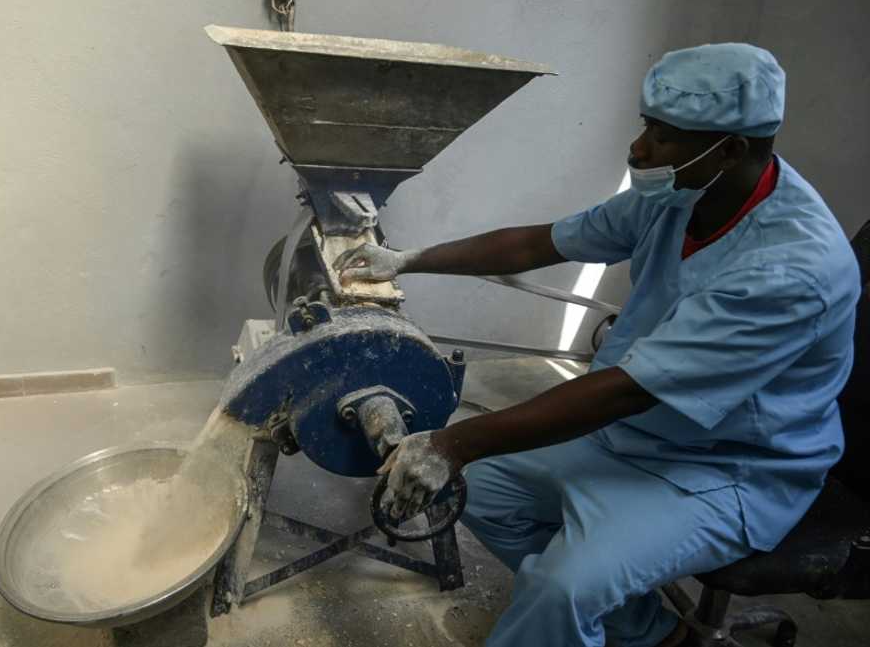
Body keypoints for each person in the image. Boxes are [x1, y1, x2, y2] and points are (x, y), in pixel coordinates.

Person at [333, 43, 860, 647]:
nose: (639, 149)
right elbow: (541, 243)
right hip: (638, 435)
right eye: (646, 127)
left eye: (663, 136)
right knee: (473, 492)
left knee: (562, 589)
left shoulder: (792, 270)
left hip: (728, 468)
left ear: (732, 148)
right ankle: (654, 636)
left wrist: (454, 442)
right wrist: (406, 260)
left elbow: (626, 391)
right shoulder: (683, 193)